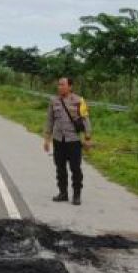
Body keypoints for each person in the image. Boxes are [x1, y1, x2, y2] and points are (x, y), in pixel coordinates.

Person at [42, 77, 92, 205]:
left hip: (74, 141)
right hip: (58, 140)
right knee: (60, 168)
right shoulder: (53, 101)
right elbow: (50, 120)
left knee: (75, 168)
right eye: (59, 85)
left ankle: (76, 195)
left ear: (70, 87)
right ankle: (63, 193)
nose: (60, 87)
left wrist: (87, 138)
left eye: (63, 85)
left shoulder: (79, 101)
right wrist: (47, 139)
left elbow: (85, 119)